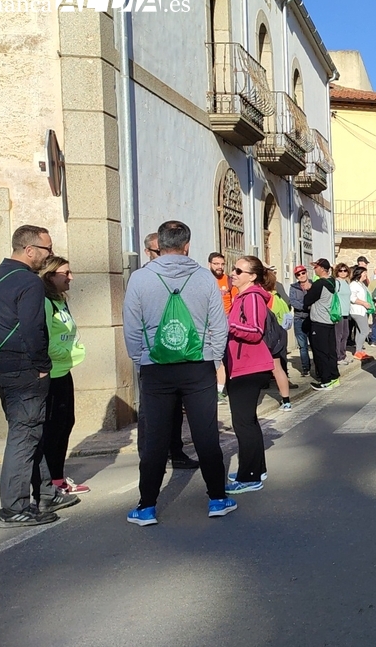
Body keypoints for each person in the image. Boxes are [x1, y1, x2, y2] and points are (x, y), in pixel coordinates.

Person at [123, 220, 234, 526]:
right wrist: (213, 359)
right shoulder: (203, 278)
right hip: (197, 366)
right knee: (205, 433)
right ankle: (217, 498)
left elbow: (132, 326)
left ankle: (147, 506)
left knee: (156, 437)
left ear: (158, 244)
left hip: (156, 368)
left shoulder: (140, 279)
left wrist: (141, 358)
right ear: (187, 245)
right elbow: (218, 325)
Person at [0, 225, 79, 527]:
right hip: (23, 370)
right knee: (25, 438)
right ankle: (14, 507)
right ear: (30, 250)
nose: (48, 254)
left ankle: (47, 492)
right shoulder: (29, 282)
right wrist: (41, 365)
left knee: (32, 433)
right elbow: (33, 328)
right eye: (47, 249)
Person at [138, 233, 199, 470]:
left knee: (175, 410)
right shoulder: (141, 278)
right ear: (149, 253)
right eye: (157, 252)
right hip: (153, 355)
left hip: (181, 351)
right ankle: (151, 456)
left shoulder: (182, 275)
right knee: (150, 412)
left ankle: (177, 452)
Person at [223, 256, 274, 494]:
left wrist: (226, 324)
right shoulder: (243, 296)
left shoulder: (252, 297)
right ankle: (256, 468)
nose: (232, 273)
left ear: (252, 276)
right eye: (234, 269)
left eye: (238, 270)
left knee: (243, 422)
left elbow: (255, 331)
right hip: (243, 366)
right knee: (249, 421)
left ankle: (250, 476)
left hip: (249, 366)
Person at [38, 256, 88, 496]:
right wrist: (64, 354)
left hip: (64, 371)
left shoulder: (60, 301)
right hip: (52, 373)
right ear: (50, 276)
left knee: (65, 423)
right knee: (54, 428)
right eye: (65, 273)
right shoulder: (45, 302)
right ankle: (51, 483)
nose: (71, 277)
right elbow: (43, 339)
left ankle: (57, 478)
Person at [301, 258, 339, 390]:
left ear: (322, 268)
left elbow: (307, 301)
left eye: (316, 267)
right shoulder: (333, 282)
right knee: (331, 351)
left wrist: (308, 290)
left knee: (320, 352)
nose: (314, 269)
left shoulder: (319, 284)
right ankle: (334, 376)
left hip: (319, 321)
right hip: (330, 320)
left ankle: (325, 380)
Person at [260, 267, 294, 411]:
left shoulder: (264, 298)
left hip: (267, 336)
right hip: (281, 335)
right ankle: (286, 401)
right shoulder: (278, 297)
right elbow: (287, 313)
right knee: (278, 368)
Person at [207, 252, 235, 403]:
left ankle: (219, 391)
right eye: (216, 264)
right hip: (207, 323)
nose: (219, 267)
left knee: (222, 358)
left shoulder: (229, 281)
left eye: (222, 264)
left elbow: (235, 301)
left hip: (225, 323)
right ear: (209, 264)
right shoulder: (205, 280)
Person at [288, 265, 312, 376]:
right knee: (303, 346)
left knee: (315, 345)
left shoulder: (313, 285)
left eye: (303, 273)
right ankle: (305, 368)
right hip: (299, 319)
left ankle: (318, 369)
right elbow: (293, 302)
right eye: (298, 274)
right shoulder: (293, 287)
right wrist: (306, 306)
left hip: (312, 318)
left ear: (306, 273)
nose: (301, 275)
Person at [348, 266, 373, 361]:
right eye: (364, 273)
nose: (366, 275)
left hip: (363, 310)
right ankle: (358, 351)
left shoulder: (362, 284)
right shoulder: (354, 284)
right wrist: (364, 303)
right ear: (359, 274)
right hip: (358, 311)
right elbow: (352, 298)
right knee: (365, 330)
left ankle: (360, 350)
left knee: (359, 331)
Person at [332, 263, 353, 366]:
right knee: (338, 335)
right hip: (339, 312)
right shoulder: (336, 283)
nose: (343, 272)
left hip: (346, 313)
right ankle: (338, 357)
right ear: (337, 272)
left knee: (345, 334)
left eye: (345, 271)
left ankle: (343, 355)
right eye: (340, 270)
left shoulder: (346, 283)